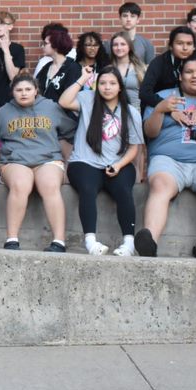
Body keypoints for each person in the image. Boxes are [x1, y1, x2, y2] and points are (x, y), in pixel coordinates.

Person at [137, 55, 196, 260]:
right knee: (161, 185)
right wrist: (159, 110)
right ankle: (149, 243)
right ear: (180, 76)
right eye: (189, 72)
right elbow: (150, 133)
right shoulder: (164, 97)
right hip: (168, 159)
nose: (195, 76)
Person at [60, 66, 143, 257]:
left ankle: (128, 244)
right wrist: (83, 78)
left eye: (112, 83)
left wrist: (119, 165)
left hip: (117, 163)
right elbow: (64, 101)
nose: (107, 87)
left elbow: (134, 148)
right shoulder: (87, 99)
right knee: (88, 189)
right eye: (103, 83)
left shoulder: (131, 112)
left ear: (120, 87)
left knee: (124, 190)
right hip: (84, 162)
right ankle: (90, 242)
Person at [0, 74, 75, 252]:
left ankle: (59, 241)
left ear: (36, 90)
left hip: (48, 159)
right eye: (19, 90)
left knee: (49, 185)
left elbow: (70, 133)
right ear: (12, 92)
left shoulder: (51, 107)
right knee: (21, 185)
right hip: (15, 160)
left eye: (28, 89)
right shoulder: (3, 112)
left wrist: (69, 164)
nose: (24, 93)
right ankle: (12, 240)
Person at [139, 26, 196, 112]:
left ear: (194, 47)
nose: (185, 48)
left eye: (189, 44)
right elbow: (144, 93)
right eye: (180, 43)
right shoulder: (159, 62)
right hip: (158, 108)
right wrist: (168, 108)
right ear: (171, 46)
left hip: (187, 106)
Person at [33, 25, 80, 104]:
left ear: (55, 45)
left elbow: (73, 97)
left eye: (45, 43)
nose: (42, 46)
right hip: (44, 114)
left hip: (64, 114)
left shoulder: (73, 68)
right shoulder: (46, 67)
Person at [109, 31, 146, 110]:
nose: (119, 48)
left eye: (123, 44)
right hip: (114, 114)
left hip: (136, 112)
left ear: (129, 46)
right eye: (115, 45)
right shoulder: (108, 70)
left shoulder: (140, 68)